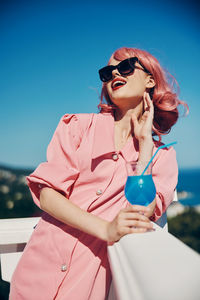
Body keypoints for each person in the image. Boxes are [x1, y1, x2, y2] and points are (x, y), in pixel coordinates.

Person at [9, 47, 187, 300]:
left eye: (125, 66)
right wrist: (105, 229)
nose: (115, 72)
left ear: (150, 80)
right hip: (37, 271)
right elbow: (48, 195)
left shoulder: (163, 156)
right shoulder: (77, 127)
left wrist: (145, 145)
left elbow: (143, 210)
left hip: (87, 280)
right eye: (107, 71)